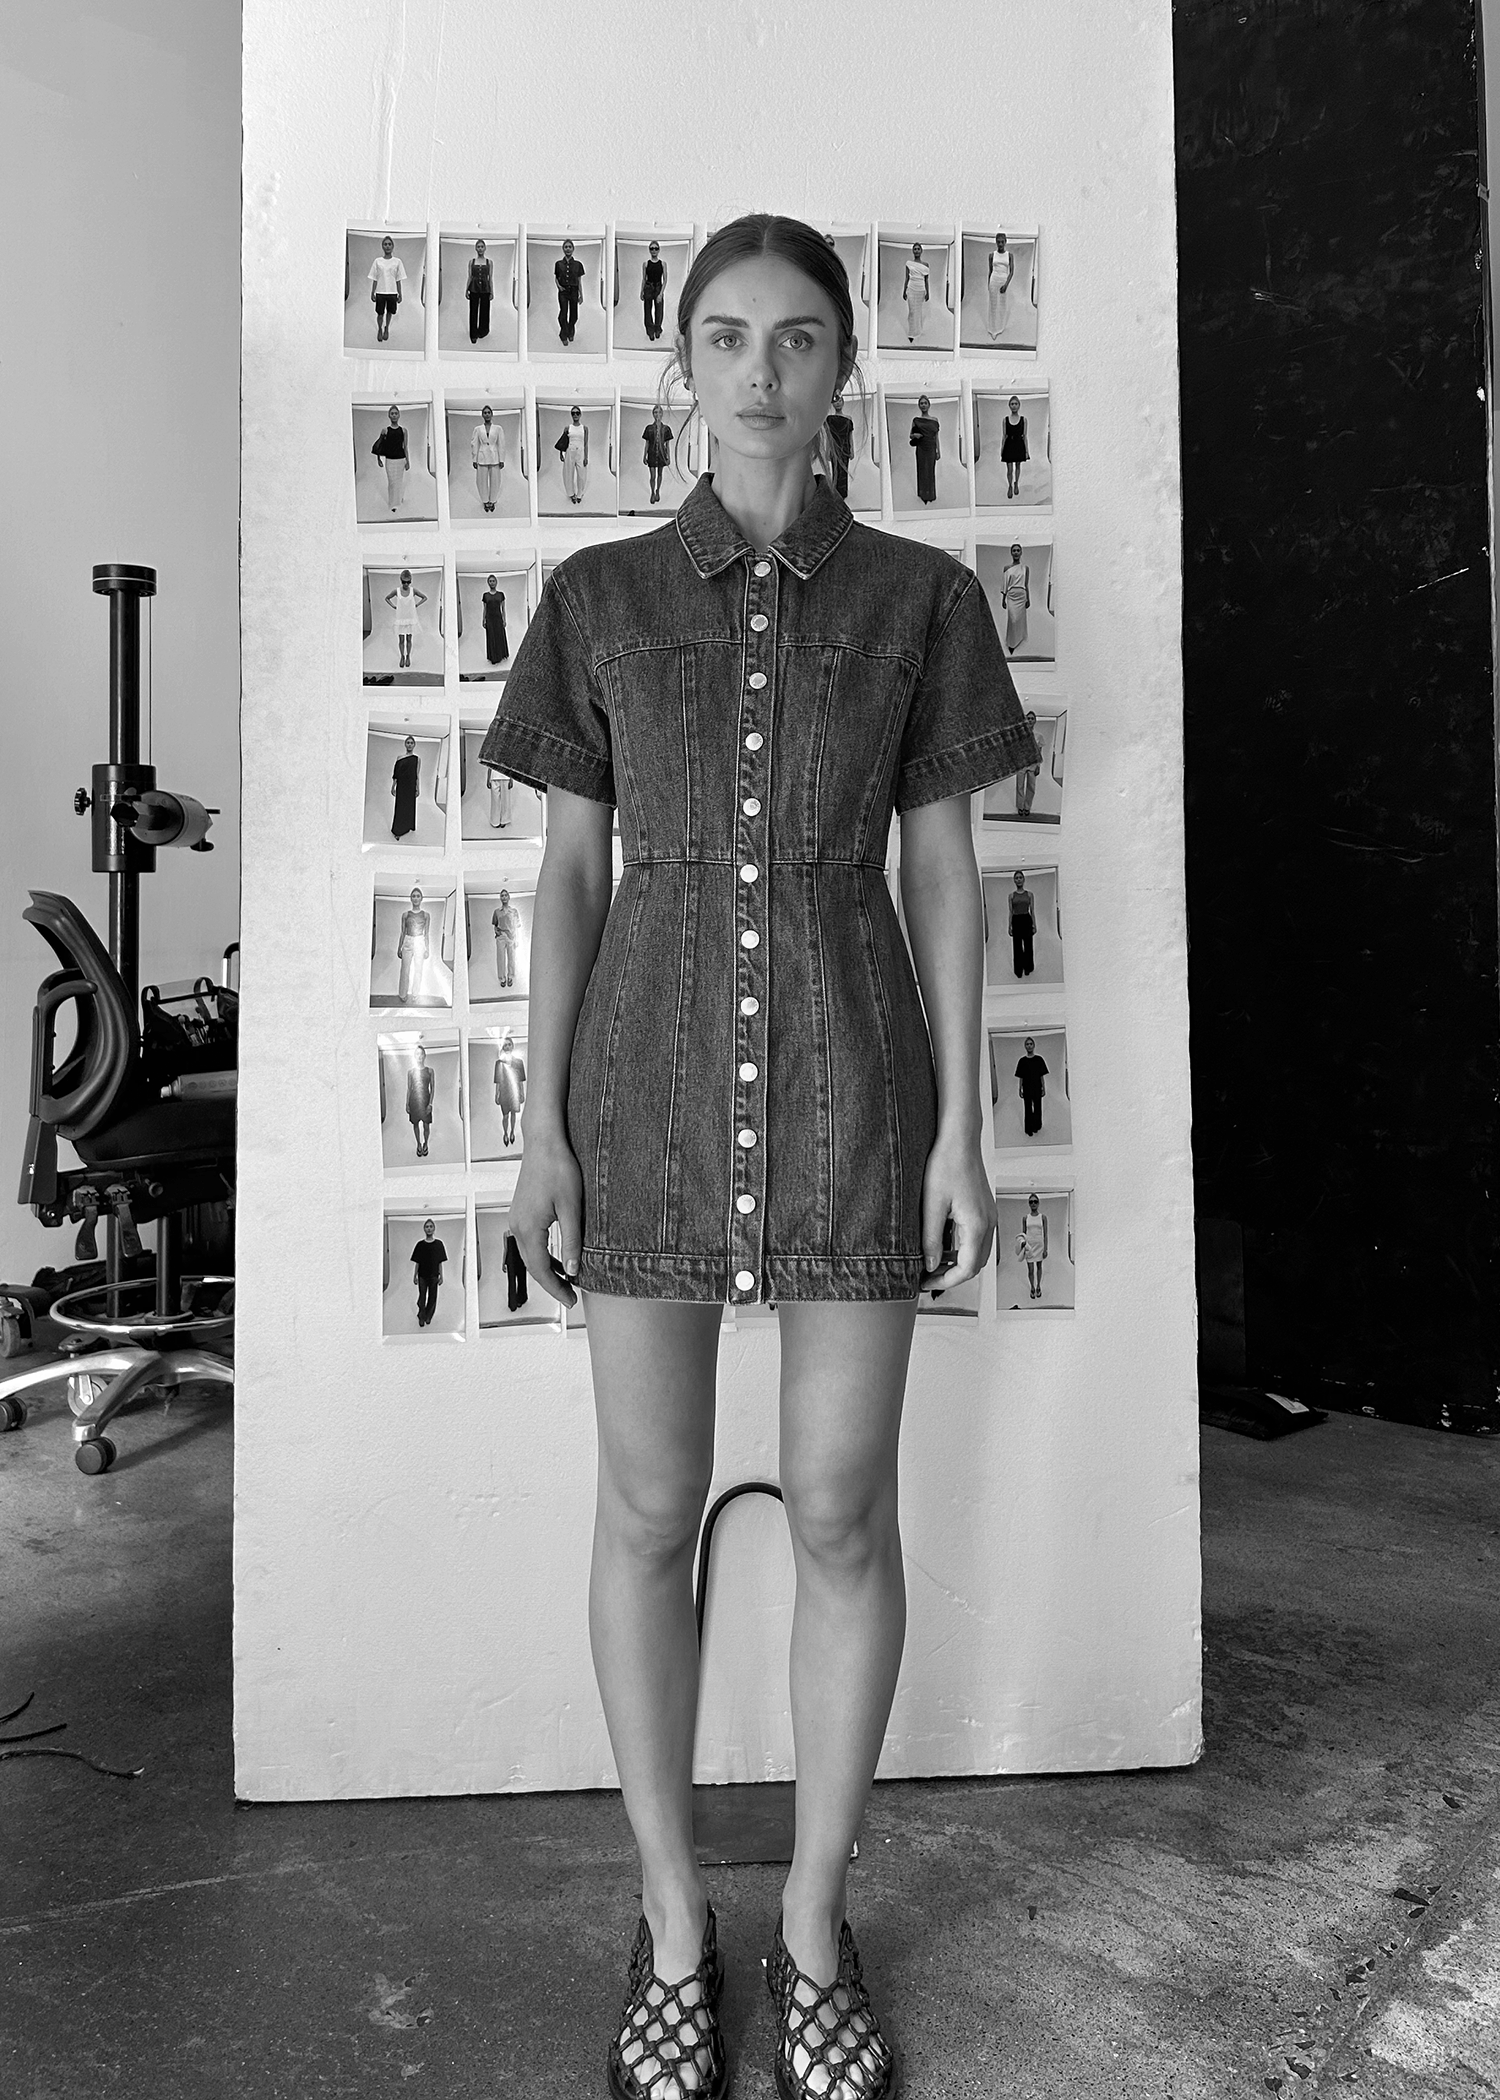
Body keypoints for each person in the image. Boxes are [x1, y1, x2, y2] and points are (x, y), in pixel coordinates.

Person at [476, 213, 1040, 2100]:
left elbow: (945, 876)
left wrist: (962, 1128)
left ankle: (808, 1922)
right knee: (648, 1514)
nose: (761, 372)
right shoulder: (597, 597)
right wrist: (541, 1130)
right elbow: (568, 878)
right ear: (681, 364)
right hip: (638, 1097)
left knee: (844, 1516)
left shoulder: (924, 601)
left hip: (858, 1095)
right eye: (725, 336)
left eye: (797, 338)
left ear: (844, 366)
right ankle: (666, 1922)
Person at [367, 233, 405, 343]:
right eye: (385, 244)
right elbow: (375, 277)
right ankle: (379, 328)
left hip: (392, 292)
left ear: (392, 246)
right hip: (380, 291)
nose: (387, 246)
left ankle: (387, 327)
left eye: (389, 244)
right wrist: (372, 292)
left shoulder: (397, 262)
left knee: (390, 312)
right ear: (382, 246)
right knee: (380, 313)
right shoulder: (377, 261)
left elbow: (398, 279)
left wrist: (400, 293)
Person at [371, 404, 409, 514]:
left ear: (399, 415)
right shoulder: (385, 430)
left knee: (399, 482)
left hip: (401, 459)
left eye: (396, 413)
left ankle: (398, 501)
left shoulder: (404, 430)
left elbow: (405, 447)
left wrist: (408, 461)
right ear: (389, 415)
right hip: (390, 460)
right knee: (392, 482)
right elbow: (379, 445)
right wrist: (378, 459)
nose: (394, 415)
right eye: (392, 413)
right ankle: (393, 503)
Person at [409, 1217, 447, 1328]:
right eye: (427, 1226)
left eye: (431, 1226)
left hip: (434, 1275)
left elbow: (440, 1262)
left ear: (434, 1228)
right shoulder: (420, 1245)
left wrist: (441, 1276)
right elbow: (417, 1262)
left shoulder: (439, 1244)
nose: (429, 1228)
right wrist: (415, 1275)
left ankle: (428, 1316)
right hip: (422, 1276)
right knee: (422, 1297)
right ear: (424, 1229)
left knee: (432, 1297)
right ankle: (421, 1317)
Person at [385, 572, 426, 672]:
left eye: (408, 582)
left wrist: (416, 605)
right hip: (400, 618)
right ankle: (402, 656)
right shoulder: (397, 591)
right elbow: (387, 598)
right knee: (401, 640)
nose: (406, 584)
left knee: (409, 639)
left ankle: (408, 656)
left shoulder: (413, 591)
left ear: (411, 581)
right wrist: (394, 606)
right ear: (401, 581)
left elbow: (424, 597)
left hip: (411, 617)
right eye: (404, 582)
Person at [397, 887, 430, 1005]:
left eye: (418, 896)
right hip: (408, 940)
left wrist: (427, 949)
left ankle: (416, 994)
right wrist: (399, 947)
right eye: (413, 896)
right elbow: (402, 932)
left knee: (418, 969)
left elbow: (426, 933)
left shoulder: (426, 915)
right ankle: (403, 994)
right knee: (405, 969)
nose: (416, 898)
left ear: (421, 898)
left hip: (420, 941)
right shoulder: (405, 914)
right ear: (411, 898)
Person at [494, 1029, 527, 1147]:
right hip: (504, 1092)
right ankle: (505, 1133)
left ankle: (512, 1131)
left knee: (514, 1113)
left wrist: (522, 1093)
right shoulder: (499, 1063)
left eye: (509, 1044)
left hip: (515, 1091)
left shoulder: (518, 1062)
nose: (507, 1047)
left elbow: (521, 1079)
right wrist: (496, 1094)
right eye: (505, 1045)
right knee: (505, 1115)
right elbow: (498, 1080)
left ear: (512, 1046)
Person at [472, 404, 506, 512]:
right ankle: (485, 501)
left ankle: (493, 500)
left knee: (495, 480)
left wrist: (501, 459)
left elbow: (501, 444)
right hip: (482, 457)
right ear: (482, 415)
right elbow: (474, 444)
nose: (487, 414)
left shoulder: (498, 428)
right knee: (481, 480)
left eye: (488, 412)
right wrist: (474, 459)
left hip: (494, 457)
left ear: (492, 414)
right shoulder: (478, 429)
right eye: (485, 413)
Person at [908, 394, 941, 506]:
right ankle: (922, 494)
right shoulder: (916, 420)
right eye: (921, 403)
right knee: (922, 470)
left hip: (931, 448)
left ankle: (930, 495)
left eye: (925, 403)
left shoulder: (934, 420)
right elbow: (910, 435)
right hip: (921, 448)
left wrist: (938, 451)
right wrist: (915, 435)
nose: (923, 405)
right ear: (919, 406)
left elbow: (936, 437)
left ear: (929, 405)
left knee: (930, 471)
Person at [1015, 1192, 1047, 1301]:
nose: (1033, 1204)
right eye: (1031, 1202)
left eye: (1035, 1201)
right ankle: (1032, 1287)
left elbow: (1045, 1234)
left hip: (1039, 1245)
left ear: (1038, 1203)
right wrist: (1023, 1244)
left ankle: (1038, 1286)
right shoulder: (1025, 1218)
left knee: (1039, 1266)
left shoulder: (1043, 1217)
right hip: (1029, 1246)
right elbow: (1023, 1233)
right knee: (1030, 1269)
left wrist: (1045, 1248)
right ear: (1029, 1204)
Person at [1014, 1035, 1047, 1138]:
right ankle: (1029, 1129)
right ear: (1025, 1046)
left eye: (1031, 1044)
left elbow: (1041, 1075)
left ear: (1034, 1045)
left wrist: (1044, 1087)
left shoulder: (1039, 1059)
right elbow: (1021, 1077)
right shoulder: (1022, 1061)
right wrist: (1019, 1089)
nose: (1029, 1046)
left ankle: (1037, 1126)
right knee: (1028, 1109)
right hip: (1027, 1088)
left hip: (1037, 1087)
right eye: (1027, 1044)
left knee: (1037, 1108)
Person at [1000, 542, 1030, 655]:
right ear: (1011, 553)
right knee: (1013, 619)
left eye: (1018, 550)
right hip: (1011, 596)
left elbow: (1026, 585)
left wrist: (1028, 599)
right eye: (1014, 550)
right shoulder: (1007, 568)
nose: (1016, 552)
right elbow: (1005, 584)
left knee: (1020, 619)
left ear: (1021, 552)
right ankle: (1011, 643)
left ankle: (1019, 638)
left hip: (1022, 596)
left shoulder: (1025, 568)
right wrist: (1003, 599)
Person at [406, 1043, 435, 1157]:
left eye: (421, 1054)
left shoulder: (430, 1071)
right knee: (415, 1124)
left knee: (426, 1125)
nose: (419, 1056)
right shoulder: (411, 1072)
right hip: (414, 1101)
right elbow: (409, 1088)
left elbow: (432, 1088)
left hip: (426, 1101)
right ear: (414, 1056)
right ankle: (418, 1144)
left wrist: (430, 1104)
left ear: (424, 1056)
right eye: (417, 1054)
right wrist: (407, 1103)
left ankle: (426, 1144)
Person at [557, 405, 590, 505]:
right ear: (571, 415)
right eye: (573, 413)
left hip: (580, 452)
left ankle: (579, 494)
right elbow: (563, 441)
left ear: (580, 415)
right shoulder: (568, 428)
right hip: (570, 452)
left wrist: (586, 457)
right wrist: (561, 453)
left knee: (582, 474)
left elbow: (586, 443)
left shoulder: (584, 428)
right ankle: (571, 494)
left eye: (577, 413)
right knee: (568, 473)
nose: (575, 415)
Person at [555, 236, 585, 344]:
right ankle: (563, 335)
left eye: (570, 247)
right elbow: (556, 278)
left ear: (573, 249)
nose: (568, 249)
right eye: (566, 247)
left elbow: (579, 281)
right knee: (563, 314)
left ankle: (571, 332)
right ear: (563, 249)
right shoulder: (558, 264)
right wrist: (559, 287)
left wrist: (581, 295)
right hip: (563, 292)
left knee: (574, 315)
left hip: (574, 291)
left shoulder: (578, 264)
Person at [390, 735, 420, 841]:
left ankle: (408, 826)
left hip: (411, 786)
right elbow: (396, 774)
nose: (410, 745)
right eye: (408, 743)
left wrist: (418, 788)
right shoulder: (400, 758)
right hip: (401, 786)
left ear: (414, 745)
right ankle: (397, 831)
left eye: (411, 743)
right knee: (400, 807)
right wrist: (393, 786)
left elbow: (417, 774)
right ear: (405, 744)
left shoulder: (417, 759)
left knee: (409, 806)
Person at [825, 390, 854, 499]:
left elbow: (850, 435)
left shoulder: (848, 418)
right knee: (836, 470)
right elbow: (829, 437)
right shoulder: (830, 419)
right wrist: (827, 450)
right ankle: (836, 492)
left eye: (840, 401)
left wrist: (852, 450)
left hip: (845, 448)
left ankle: (843, 493)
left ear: (843, 402)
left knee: (844, 472)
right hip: (835, 448)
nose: (838, 404)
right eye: (835, 402)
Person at [1007, 868, 1035, 979]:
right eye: (1016, 878)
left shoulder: (1029, 894)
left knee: (1028, 945)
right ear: (1014, 880)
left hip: (1026, 919)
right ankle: (1018, 970)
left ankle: (1028, 968)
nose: (1019, 880)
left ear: (1023, 879)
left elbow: (1032, 911)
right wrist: (1009, 926)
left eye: (1020, 877)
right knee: (1017, 946)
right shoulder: (1011, 896)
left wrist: (1034, 924)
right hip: (1016, 920)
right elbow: (1010, 912)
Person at [1000, 393, 1028, 500]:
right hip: (1009, 445)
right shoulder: (1005, 420)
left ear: (1019, 405)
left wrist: (1027, 451)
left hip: (1019, 444)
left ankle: (1016, 483)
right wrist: (1002, 449)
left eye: (1016, 403)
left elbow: (1025, 436)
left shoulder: (1023, 420)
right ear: (1009, 405)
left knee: (1018, 466)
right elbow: (1004, 436)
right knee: (1009, 469)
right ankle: (1010, 486)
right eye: (1012, 404)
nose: (1014, 406)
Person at [986, 232, 1014, 342]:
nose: (1000, 244)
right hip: (994, 280)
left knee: (1002, 305)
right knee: (993, 305)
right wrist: (988, 284)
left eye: (1002, 242)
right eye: (998, 242)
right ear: (996, 242)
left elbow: (1011, 272)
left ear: (1006, 242)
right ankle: (993, 329)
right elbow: (990, 271)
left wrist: (1006, 284)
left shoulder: (1009, 255)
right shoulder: (992, 255)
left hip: (1003, 281)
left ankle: (1000, 328)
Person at [643, 405, 673, 504]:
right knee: (652, 476)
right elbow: (647, 443)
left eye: (659, 412)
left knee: (660, 474)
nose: (657, 414)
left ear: (662, 414)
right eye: (655, 412)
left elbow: (667, 445)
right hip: (651, 454)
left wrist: (669, 457)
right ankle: (652, 492)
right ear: (653, 414)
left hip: (661, 454)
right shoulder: (649, 428)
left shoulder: (666, 429)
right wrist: (644, 455)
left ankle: (658, 491)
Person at [492, 889, 521, 988]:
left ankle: (510, 976)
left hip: (511, 936)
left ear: (509, 897)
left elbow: (517, 926)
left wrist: (516, 939)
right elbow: (495, 925)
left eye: (505, 895)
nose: (504, 897)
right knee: (500, 958)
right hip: (501, 937)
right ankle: (502, 978)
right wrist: (497, 933)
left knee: (511, 957)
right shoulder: (497, 912)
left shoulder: (514, 911)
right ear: (500, 898)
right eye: (502, 895)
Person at [467, 237, 493, 343]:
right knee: (473, 311)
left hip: (485, 289)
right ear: (476, 248)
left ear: (485, 248)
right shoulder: (471, 262)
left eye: (482, 246)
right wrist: (466, 289)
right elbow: (470, 276)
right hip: (474, 288)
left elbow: (490, 278)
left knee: (485, 311)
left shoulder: (489, 262)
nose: (480, 249)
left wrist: (492, 291)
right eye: (478, 247)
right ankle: (473, 334)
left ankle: (483, 331)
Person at [902, 240, 929, 341]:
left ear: (921, 251)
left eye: (918, 249)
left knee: (918, 312)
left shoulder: (925, 265)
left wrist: (928, 292)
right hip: (911, 289)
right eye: (915, 249)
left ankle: (917, 331)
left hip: (920, 290)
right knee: (912, 312)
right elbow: (907, 278)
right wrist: (904, 290)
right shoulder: (909, 264)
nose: (917, 251)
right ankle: (911, 333)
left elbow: (926, 280)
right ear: (913, 251)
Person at [1015, 712, 1040, 817]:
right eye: (1028, 718)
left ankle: (1027, 807)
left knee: (1031, 787)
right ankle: (1020, 807)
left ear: (1035, 721)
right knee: (1019, 786)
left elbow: (1039, 752)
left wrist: (1038, 765)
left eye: (1032, 718)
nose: (1030, 720)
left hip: (1033, 764)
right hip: (1021, 764)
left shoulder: (1038, 736)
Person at [641, 239, 666, 341]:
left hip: (658, 287)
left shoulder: (663, 264)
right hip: (648, 287)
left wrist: (661, 293)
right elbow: (644, 278)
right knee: (647, 310)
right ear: (649, 250)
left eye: (656, 248)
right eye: (652, 248)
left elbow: (665, 279)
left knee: (659, 310)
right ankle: (650, 331)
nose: (654, 250)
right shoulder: (646, 264)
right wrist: (642, 291)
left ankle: (657, 329)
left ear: (659, 250)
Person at [482, 577, 509, 664]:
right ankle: (493, 657)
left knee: (499, 636)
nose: (492, 583)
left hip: (498, 618)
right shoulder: (485, 595)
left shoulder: (501, 594)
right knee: (491, 637)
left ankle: (501, 655)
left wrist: (504, 619)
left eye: (493, 581)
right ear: (488, 583)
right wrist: (483, 619)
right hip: (489, 619)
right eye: (490, 581)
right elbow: (485, 609)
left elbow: (503, 608)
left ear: (496, 582)